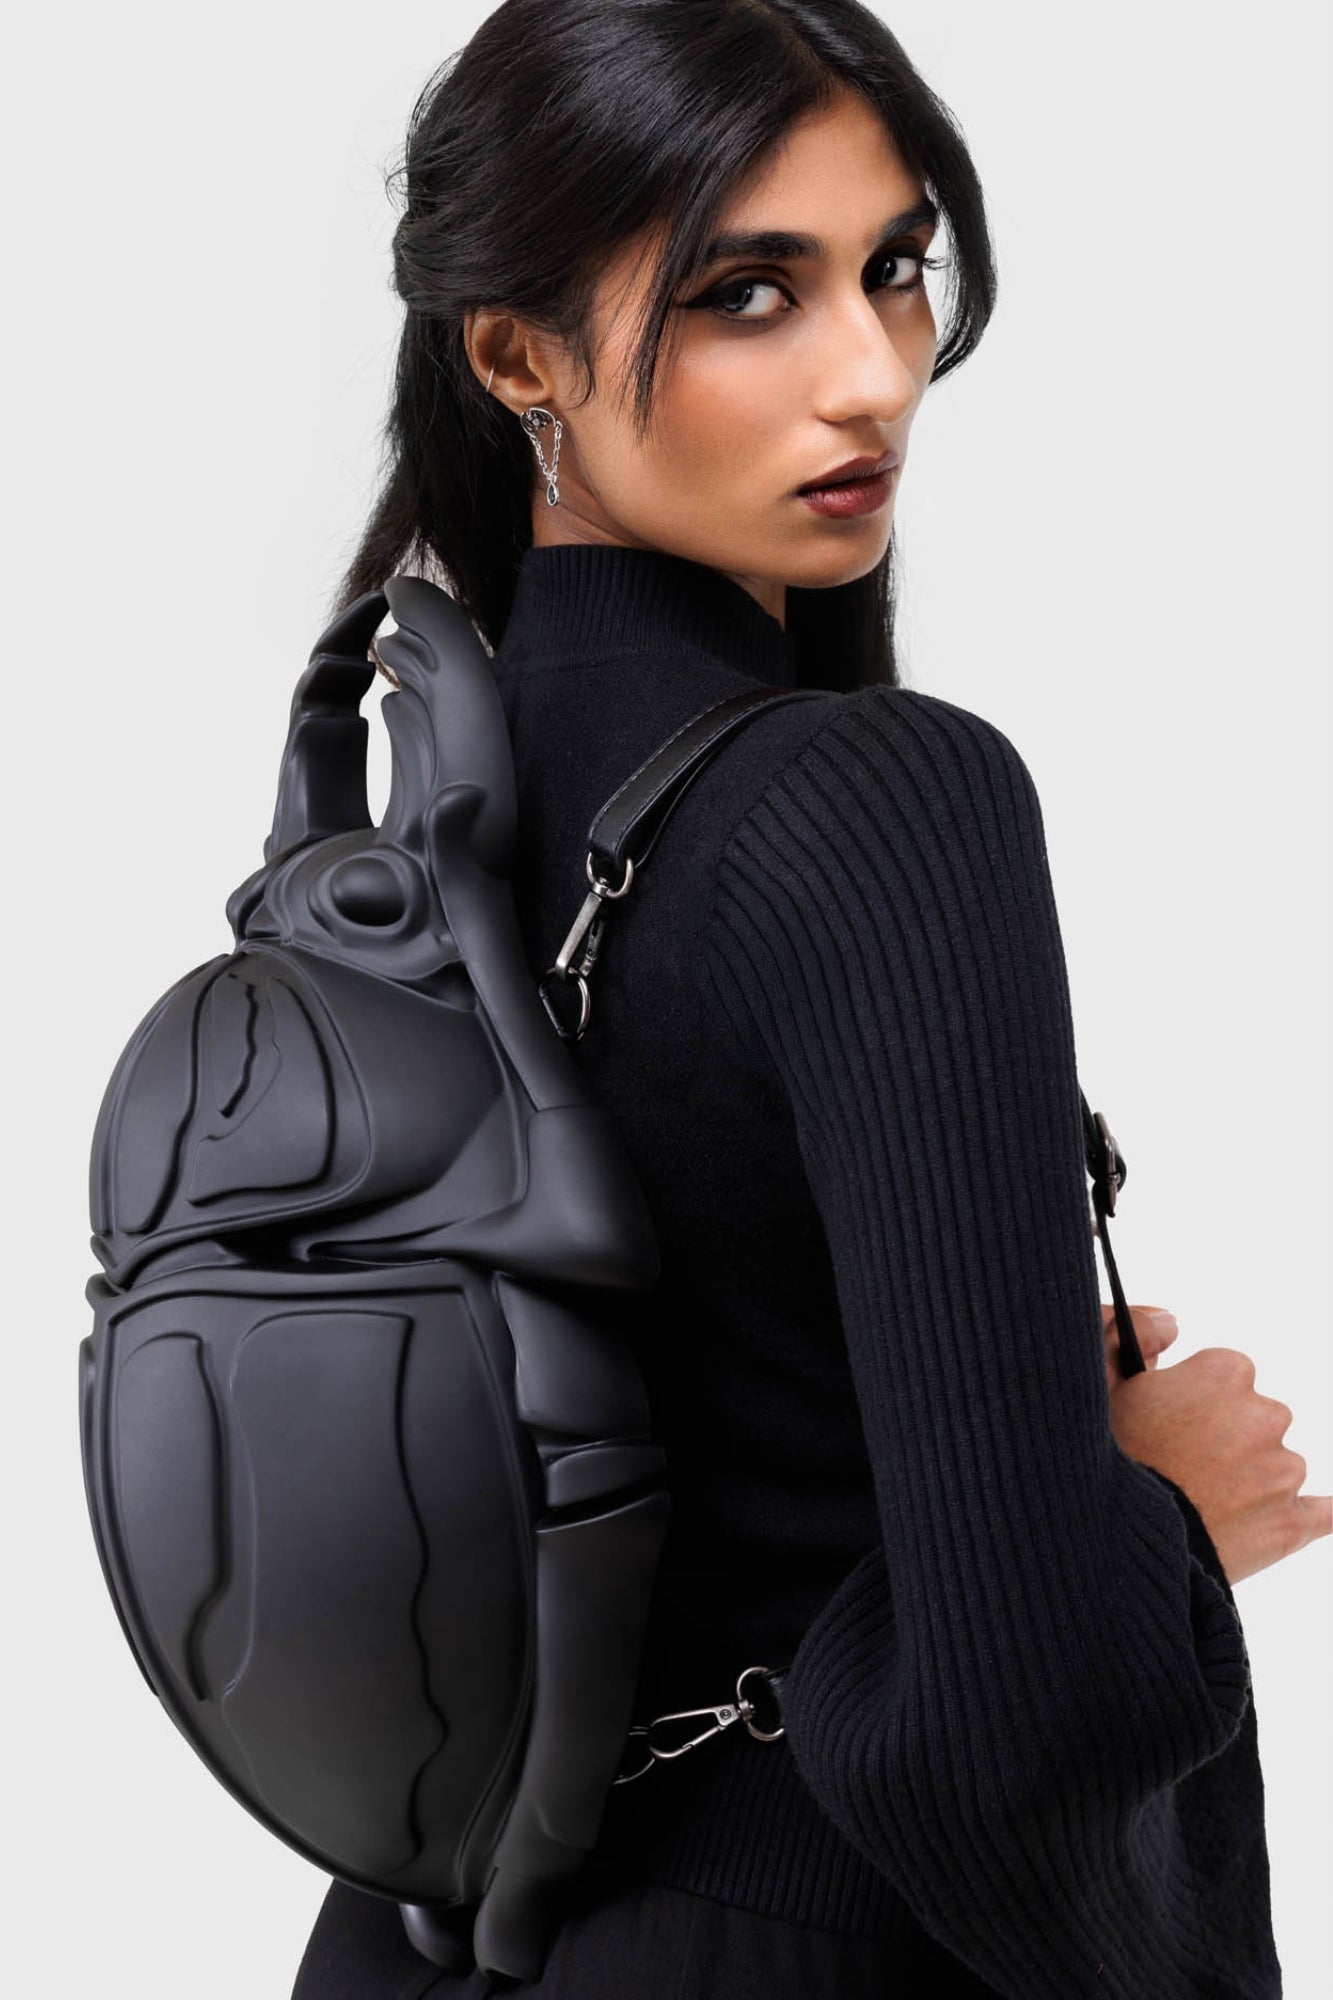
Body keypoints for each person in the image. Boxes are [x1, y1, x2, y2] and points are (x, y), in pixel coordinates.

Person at [291, 3, 1328, 1995]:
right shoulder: (879, 797)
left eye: (894, 270)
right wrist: (1161, 1516)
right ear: (512, 354)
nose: (868, 374)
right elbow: (1010, 1723)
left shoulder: (381, 855)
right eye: (745, 293)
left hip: (408, 1939)